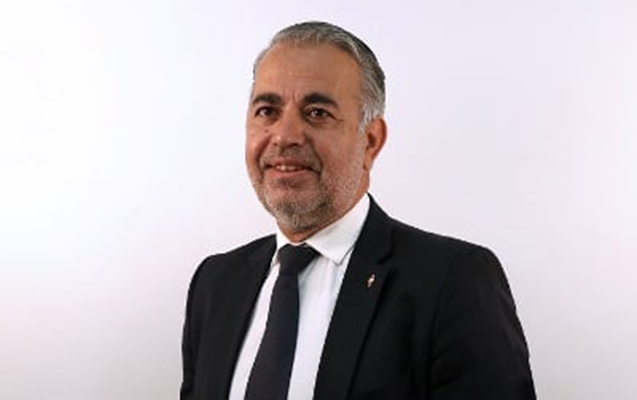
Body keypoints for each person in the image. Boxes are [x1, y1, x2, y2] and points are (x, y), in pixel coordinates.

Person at [180, 21, 536, 400]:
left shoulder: (454, 281)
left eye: (317, 112)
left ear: (370, 141)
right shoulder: (215, 284)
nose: (284, 136)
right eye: (267, 110)